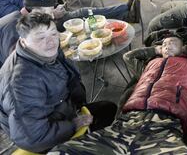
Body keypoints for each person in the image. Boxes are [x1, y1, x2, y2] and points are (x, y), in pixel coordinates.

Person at [48, 36, 187, 153]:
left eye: (173, 43)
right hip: (127, 121)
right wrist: (153, 50)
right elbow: (128, 56)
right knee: (61, 152)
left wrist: (186, 48)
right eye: (164, 44)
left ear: (183, 47)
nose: (167, 45)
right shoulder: (149, 65)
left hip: (165, 125)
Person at [0, 12, 117, 153]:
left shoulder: (46, 52)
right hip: (45, 138)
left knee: (109, 109)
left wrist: (77, 106)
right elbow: (33, 138)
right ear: (23, 41)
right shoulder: (21, 82)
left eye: (54, 33)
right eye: (40, 37)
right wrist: (73, 125)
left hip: (62, 110)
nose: (51, 41)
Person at [0, 0, 141, 66]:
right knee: (84, 17)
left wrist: (53, 12)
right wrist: (53, 17)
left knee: (85, 14)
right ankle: (126, 12)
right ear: (38, 12)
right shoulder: (12, 27)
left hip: (42, 25)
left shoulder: (28, 9)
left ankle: (126, 12)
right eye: (49, 11)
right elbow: (19, 61)